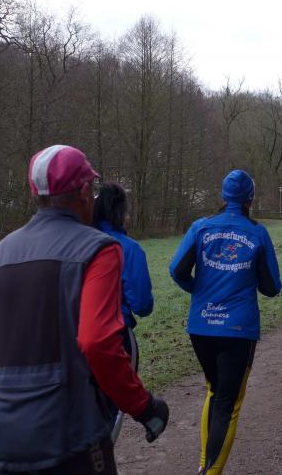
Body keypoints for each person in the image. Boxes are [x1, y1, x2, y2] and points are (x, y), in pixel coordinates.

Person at [0, 145, 169, 475]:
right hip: (68, 438)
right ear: (84, 192)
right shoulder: (98, 249)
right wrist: (144, 407)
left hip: (2, 438)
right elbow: (97, 342)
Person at [169, 169, 282, 475]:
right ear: (250, 200)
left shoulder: (200, 227)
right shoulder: (257, 233)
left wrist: (199, 289)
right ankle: (211, 472)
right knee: (228, 404)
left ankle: (204, 465)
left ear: (223, 196)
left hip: (201, 327)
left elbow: (177, 270)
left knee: (214, 390)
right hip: (237, 330)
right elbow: (272, 287)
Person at [93, 182, 154, 441]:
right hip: (117, 336)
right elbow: (142, 304)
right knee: (112, 414)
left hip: (71, 337)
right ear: (120, 212)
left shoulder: (76, 243)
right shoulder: (128, 248)